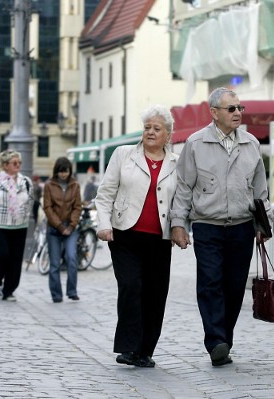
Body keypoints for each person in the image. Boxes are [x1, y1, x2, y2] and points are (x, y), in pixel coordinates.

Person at [170, 87, 273, 367]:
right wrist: (178, 224)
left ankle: (224, 339)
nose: (238, 113)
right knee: (210, 283)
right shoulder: (195, 143)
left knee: (235, 286)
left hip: (242, 226)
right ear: (214, 113)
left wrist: (264, 225)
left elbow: (261, 192)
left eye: (240, 108)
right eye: (232, 109)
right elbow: (183, 187)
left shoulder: (251, 144)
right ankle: (215, 340)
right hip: (207, 225)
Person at [95, 105, 179, 368]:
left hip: (159, 238)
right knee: (131, 287)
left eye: (156, 129)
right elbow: (106, 192)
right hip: (125, 234)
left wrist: (180, 227)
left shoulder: (176, 162)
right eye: (147, 128)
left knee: (155, 294)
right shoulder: (123, 154)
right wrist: (103, 224)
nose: (150, 132)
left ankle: (145, 351)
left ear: (168, 134)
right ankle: (129, 348)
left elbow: (182, 201)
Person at [0, 150, 33, 302]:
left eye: (19, 163)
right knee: (1, 255)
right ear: (5, 165)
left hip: (19, 226)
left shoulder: (25, 181)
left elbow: (31, 201)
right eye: (15, 163)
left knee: (15, 260)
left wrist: (25, 214)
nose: (18, 165)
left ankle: (8, 290)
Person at [43, 157, 82, 303]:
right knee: (54, 263)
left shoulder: (75, 185)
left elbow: (77, 206)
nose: (63, 175)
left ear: (70, 171)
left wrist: (71, 226)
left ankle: (72, 291)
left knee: (72, 259)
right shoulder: (49, 185)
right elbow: (47, 207)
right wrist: (59, 226)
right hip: (54, 228)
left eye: (65, 172)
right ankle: (56, 295)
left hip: (70, 228)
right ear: (56, 171)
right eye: (61, 172)